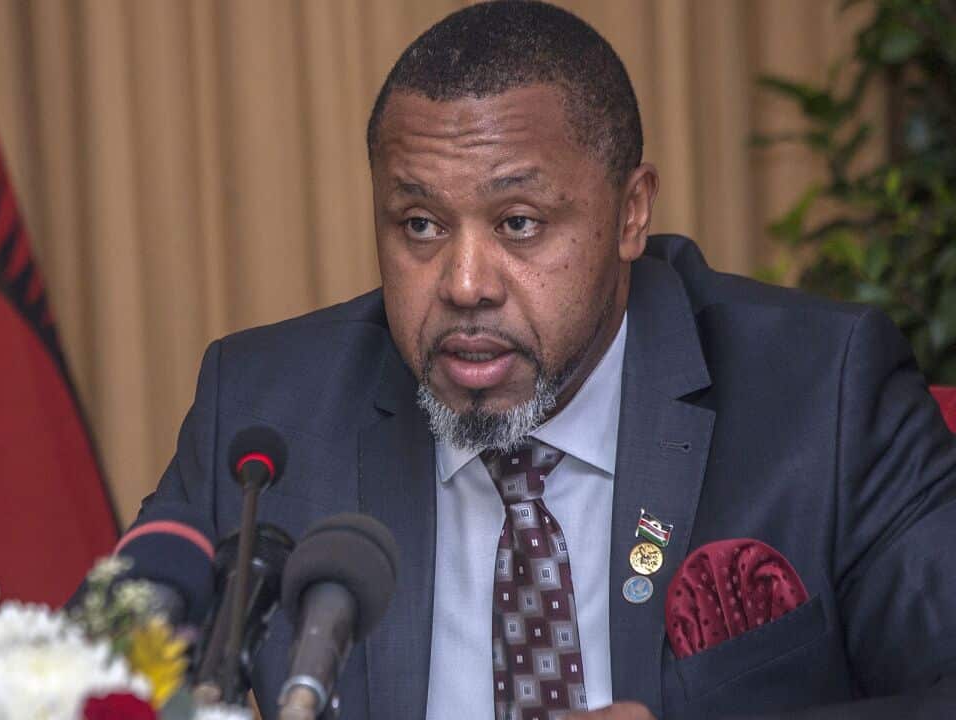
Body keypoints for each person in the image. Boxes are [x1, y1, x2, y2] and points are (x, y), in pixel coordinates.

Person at [136, 1, 956, 718]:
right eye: (419, 224)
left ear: (632, 213)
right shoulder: (265, 417)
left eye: (519, 222)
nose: (463, 285)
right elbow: (91, 681)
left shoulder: (822, 393)